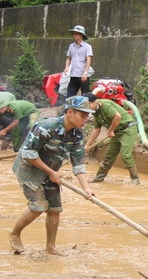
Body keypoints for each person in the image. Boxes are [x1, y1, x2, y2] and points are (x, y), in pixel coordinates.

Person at [8, 96, 96, 256]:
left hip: (52, 171)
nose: (86, 119)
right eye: (83, 116)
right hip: (29, 169)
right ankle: (15, 233)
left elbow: (78, 162)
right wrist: (51, 173)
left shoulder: (77, 134)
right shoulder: (46, 126)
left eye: (87, 116)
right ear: (70, 112)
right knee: (38, 206)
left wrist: (87, 188)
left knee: (55, 209)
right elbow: (29, 153)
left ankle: (50, 247)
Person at [82, 92, 140, 185]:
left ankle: (135, 180)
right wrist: (87, 145)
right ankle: (99, 177)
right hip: (117, 131)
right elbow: (96, 129)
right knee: (109, 155)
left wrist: (110, 130)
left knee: (125, 154)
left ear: (89, 103)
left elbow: (117, 116)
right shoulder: (96, 112)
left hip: (127, 129)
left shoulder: (105, 105)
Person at [64, 25, 93, 98]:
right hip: (73, 75)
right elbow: (68, 58)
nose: (74, 35)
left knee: (85, 96)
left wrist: (85, 73)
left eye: (76, 34)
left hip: (83, 75)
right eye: (74, 33)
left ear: (81, 35)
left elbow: (88, 60)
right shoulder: (71, 46)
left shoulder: (87, 47)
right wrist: (66, 67)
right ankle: (69, 109)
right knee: (70, 96)